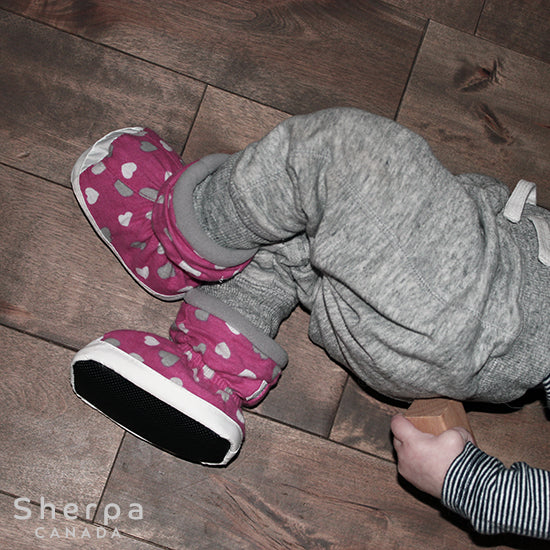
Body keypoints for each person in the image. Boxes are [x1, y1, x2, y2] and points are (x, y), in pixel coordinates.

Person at [70, 108, 550, 538]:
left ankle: (178, 232)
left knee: (337, 159)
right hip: (458, 324)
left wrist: (469, 484)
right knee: (290, 237)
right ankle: (211, 372)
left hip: (489, 306)